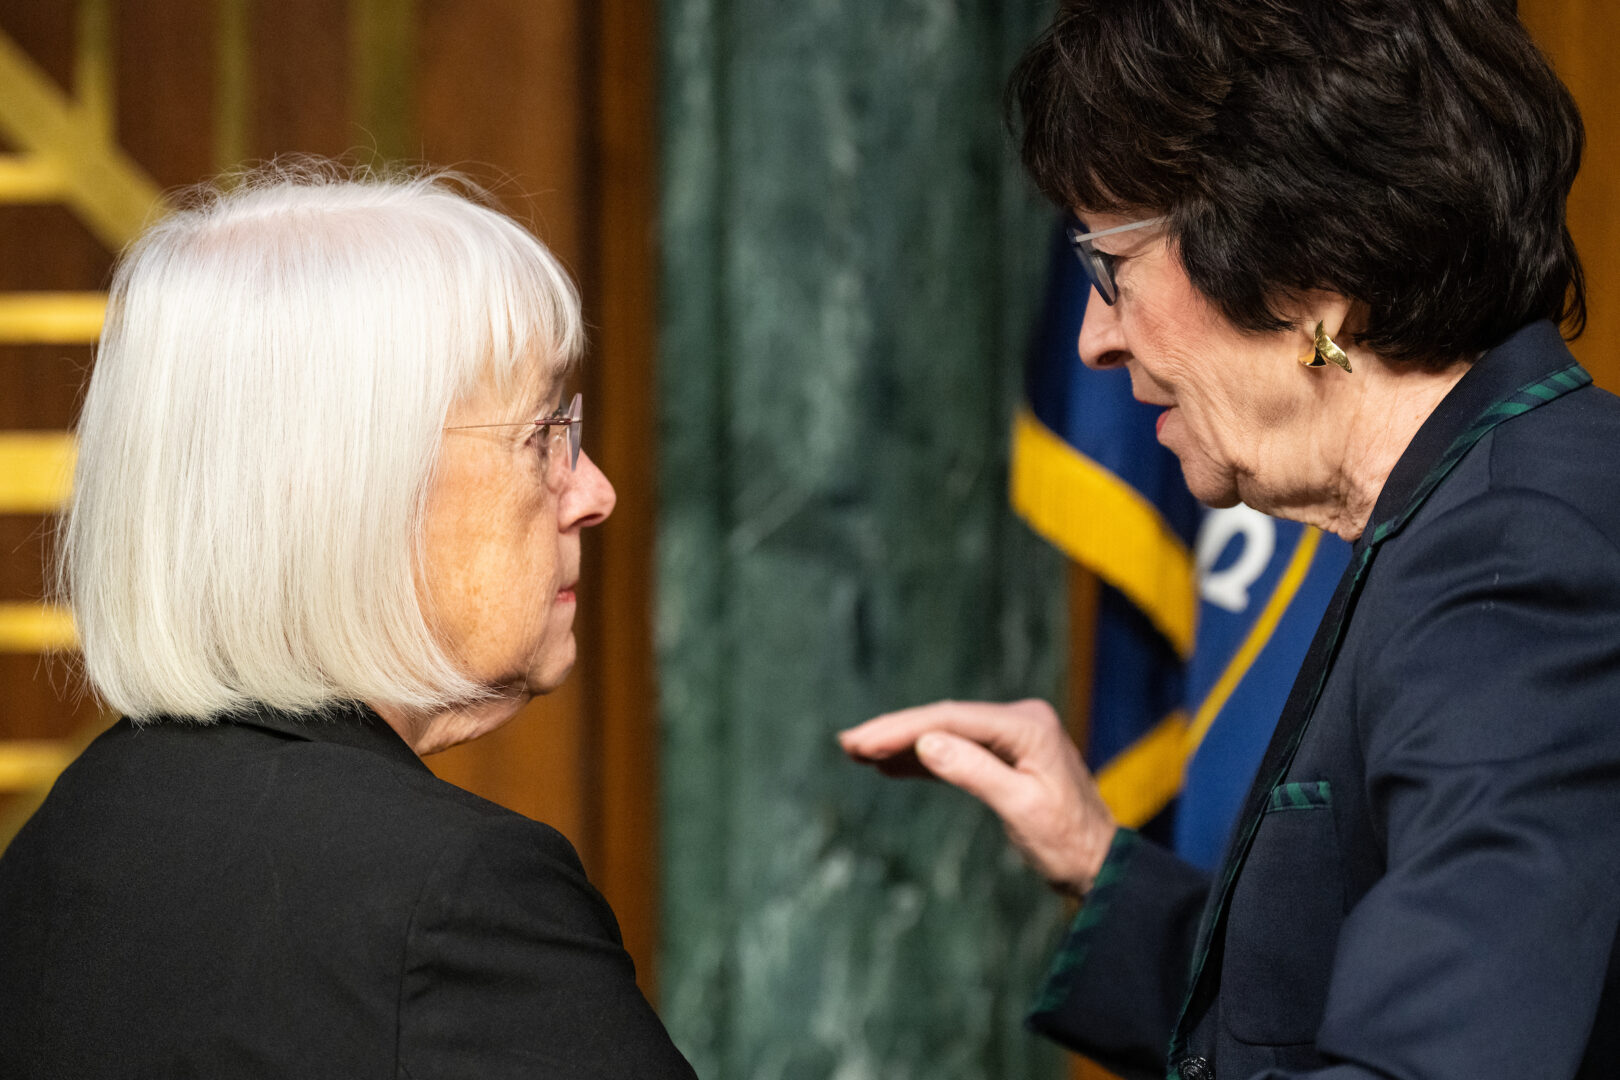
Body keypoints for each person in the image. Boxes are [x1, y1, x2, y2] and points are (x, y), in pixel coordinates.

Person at [841, 2, 1620, 1078]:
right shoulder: (1473, 510)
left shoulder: (1518, 555)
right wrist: (1096, 859)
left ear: (1307, 272)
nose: (1095, 338)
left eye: (1113, 264)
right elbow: (1316, 1015)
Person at [0, 166, 696, 1079]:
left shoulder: (70, 834)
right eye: (543, 436)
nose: (594, 494)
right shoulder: (450, 902)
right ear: (358, 492)